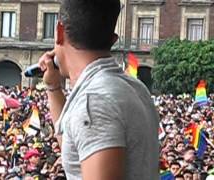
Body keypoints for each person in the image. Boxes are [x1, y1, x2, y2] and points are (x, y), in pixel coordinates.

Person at [38, 0, 159, 179]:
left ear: (59, 32)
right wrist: (53, 88)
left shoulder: (94, 102)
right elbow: (77, 149)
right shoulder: (135, 88)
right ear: (113, 39)